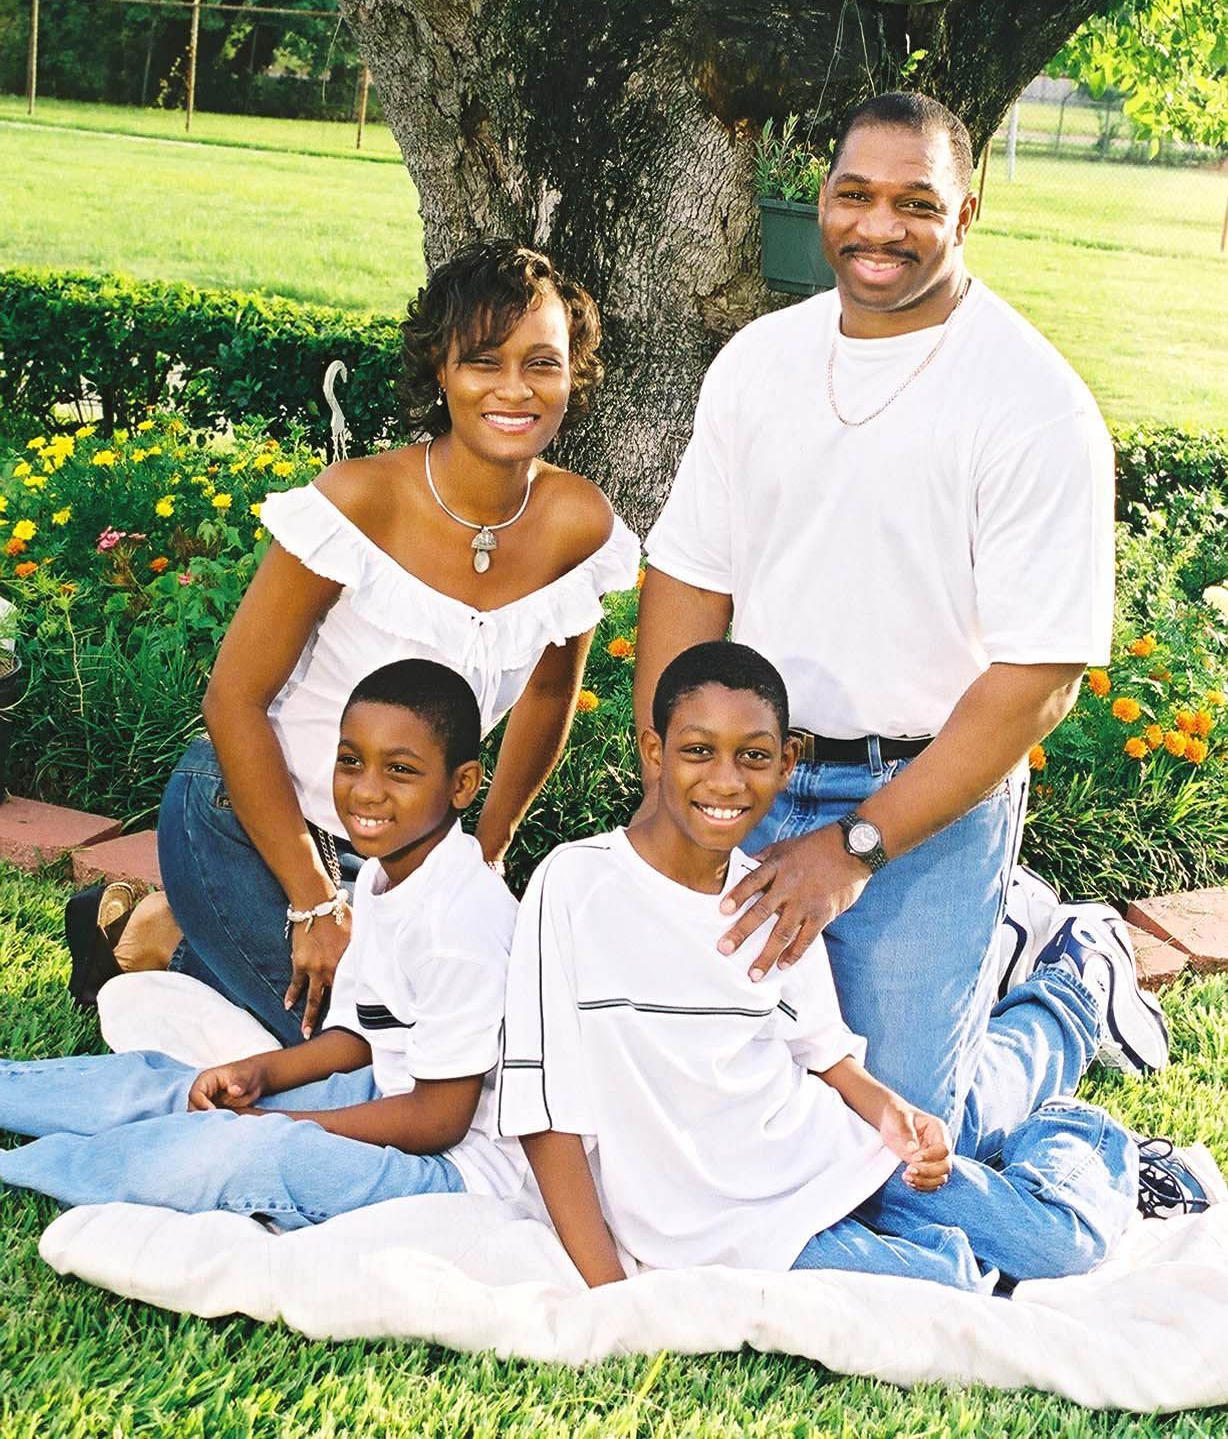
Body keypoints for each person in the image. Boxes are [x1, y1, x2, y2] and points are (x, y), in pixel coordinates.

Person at [633, 91, 1165, 1156]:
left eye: (915, 202)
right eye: (855, 195)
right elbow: (690, 578)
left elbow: (1037, 679)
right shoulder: (758, 362)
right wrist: (670, 778)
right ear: (820, 200)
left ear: (966, 213)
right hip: (750, 775)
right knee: (690, 1104)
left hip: (917, 808)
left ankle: (1068, 990)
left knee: (904, 1142)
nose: (878, 227)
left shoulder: (1032, 405)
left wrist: (857, 846)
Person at [69, 241, 639, 1045]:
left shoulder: (580, 525)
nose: (515, 388)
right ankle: (158, 941)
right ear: (441, 371)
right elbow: (232, 699)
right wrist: (311, 899)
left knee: (495, 1048)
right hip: (252, 825)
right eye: (484, 360)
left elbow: (549, 693)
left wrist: (487, 846)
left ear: (572, 375)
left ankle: (171, 929)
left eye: (541, 363)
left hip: (404, 859)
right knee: (371, 1060)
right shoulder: (359, 501)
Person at [497, 643, 1145, 1291]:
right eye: (699, 750)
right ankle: (1042, 1016)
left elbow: (826, 1058)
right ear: (654, 753)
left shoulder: (773, 896)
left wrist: (898, 1117)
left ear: (784, 768)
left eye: (752, 757)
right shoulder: (574, 886)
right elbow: (543, 1109)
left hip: (827, 1163)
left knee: (1053, 1243)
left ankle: (1078, 1067)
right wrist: (610, 1296)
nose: (725, 780)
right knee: (944, 1286)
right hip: (719, 1228)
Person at [1, 660, 525, 1229]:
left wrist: (289, 1124)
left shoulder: (462, 925)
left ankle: (32, 1165)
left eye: (400, 770)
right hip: (385, 1093)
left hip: (453, 1173)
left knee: (241, 1152)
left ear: (462, 784)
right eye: (351, 761)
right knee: (185, 1088)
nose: (366, 791)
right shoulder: (384, 879)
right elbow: (359, 1036)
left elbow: (439, 1122)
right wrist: (260, 1074)